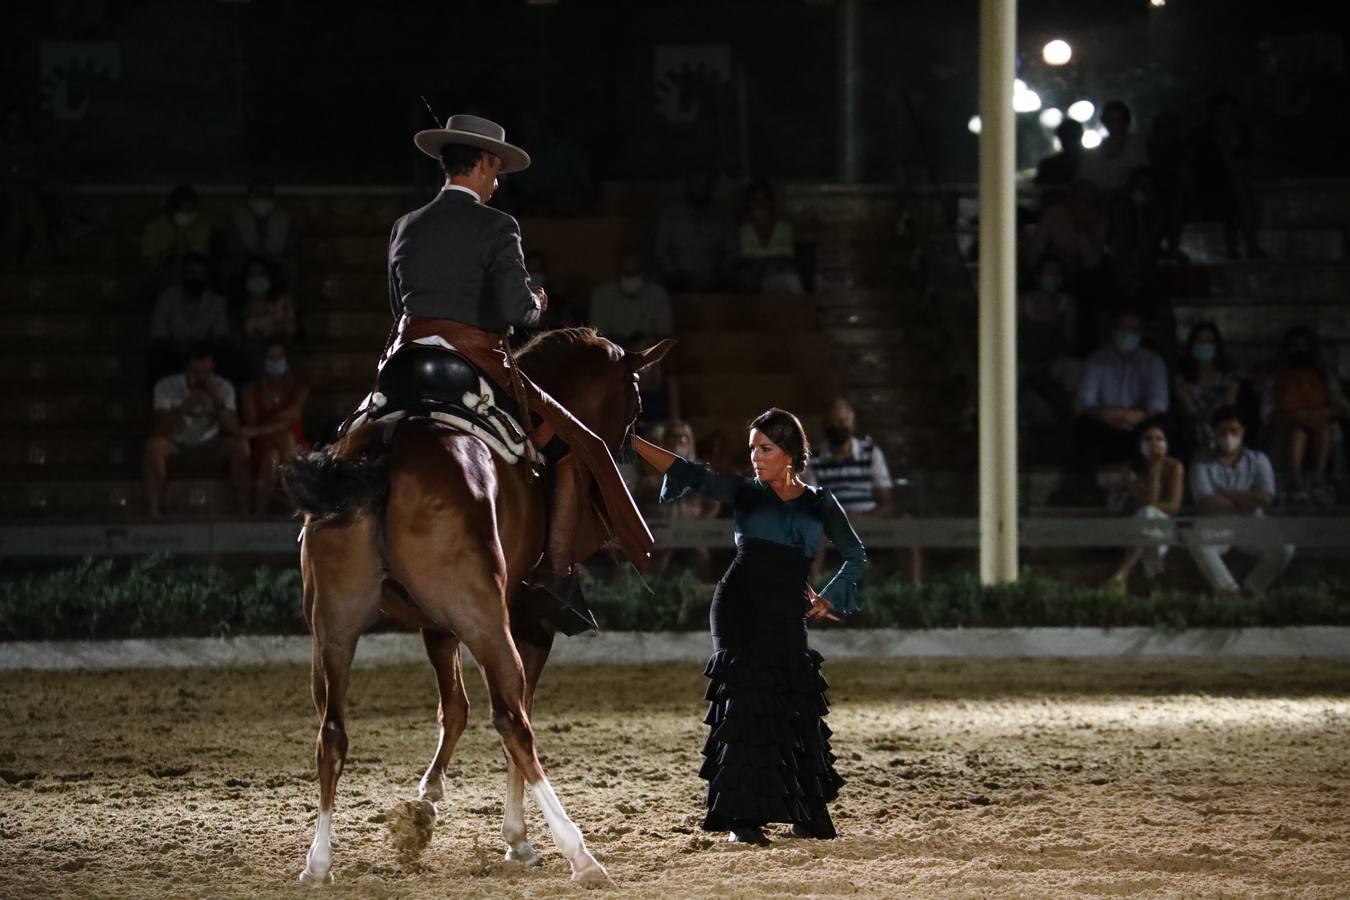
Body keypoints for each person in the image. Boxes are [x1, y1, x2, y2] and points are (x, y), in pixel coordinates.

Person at [391, 113, 653, 631]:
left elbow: (397, 302)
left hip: (403, 364)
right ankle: (553, 578)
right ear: (485, 163)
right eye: (497, 170)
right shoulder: (498, 225)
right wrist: (536, 300)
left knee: (364, 431)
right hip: (471, 366)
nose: (497, 181)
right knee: (565, 448)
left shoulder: (405, 224)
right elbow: (516, 311)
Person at [632, 408, 863, 845]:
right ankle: (742, 818)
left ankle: (804, 811)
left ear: (791, 454)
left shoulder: (820, 502)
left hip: (785, 611)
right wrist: (633, 442)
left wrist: (830, 593)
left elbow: (855, 553)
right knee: (744, 705)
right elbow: (688, 473)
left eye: (766, 449)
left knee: (796, 701)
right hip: (737, 607)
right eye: (752, 448)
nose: (755, 457)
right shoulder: (744, 491)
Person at [806, 397, 919, 582]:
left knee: (906, 524)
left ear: (852, 422)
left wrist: (864, 517)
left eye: (842, 422)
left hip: (869, 519)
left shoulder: (871, 453)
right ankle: (814, 593)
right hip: (831, 522)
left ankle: (914, 590)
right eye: (833, 423)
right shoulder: (814, 458)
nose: (838, 427)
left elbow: (886, 503)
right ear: (825, 425)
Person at [1188, 406, 1294, 594]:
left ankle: (1252, 589)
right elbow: (1206, 504)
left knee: (1285, 547)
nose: (1228, 436)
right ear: (1214, 433)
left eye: (1233, 431)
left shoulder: (1259, 459)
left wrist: (1226, 495)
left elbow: (1266, 498)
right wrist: (1247, 498)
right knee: (1198, 543)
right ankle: (1230, 594)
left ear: (1242, 431)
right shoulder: (1201, 463)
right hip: (1218, 525)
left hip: (1253, 524)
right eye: (1222, 431)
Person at [1067, 309, 1169, 503]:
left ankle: (1155, 491)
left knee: (1162, 425)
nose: (1127, 333)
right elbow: (1083, 402)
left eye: (1133, 329)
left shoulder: (1153, 362)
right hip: (1105, 427)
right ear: (1113, 331)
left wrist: (1135, 416)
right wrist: (1107, 415)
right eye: (1123, 328)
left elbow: (1158, 403)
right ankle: (1086, 492)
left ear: (1141, 332)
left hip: (1138, 427)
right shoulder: (1097, 360)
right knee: (1082, 426)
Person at [143, 343, 250, 517]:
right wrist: (185, 406)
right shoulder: (166, 386)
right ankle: (154, 512)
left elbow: (234, 428)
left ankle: (244, 511)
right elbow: (160, 429)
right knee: (154, 446)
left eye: (206, 373)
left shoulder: (223, 387)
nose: (201, 378)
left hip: (211, 446)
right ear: (187, 368)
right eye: (197, 373)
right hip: (177, 447)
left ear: (212, 368)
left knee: (241, 445)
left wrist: (218, 403)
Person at [1264, 326, 1346, 506]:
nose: (1299, 350)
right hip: (1287, 424)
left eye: (1304, 345)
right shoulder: (1275, 376)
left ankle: (1318, 479)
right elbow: (1266, 411)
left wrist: (1320, 414)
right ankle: (1297, 483)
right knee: (1298, 432)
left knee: (1326, 429)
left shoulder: (1324, 375)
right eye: (1295, 346)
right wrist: (1294, 416)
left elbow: (1340, 406)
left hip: (1320, 422)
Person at [1105, 420, 1184, 590]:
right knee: (1146, 517)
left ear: (1167, 443)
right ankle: (1154, 583)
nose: (1155, 443)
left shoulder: (1175, 467)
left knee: (1148, 515)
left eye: (1159, 438)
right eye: (1148, 439)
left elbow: (1174, 506)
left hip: (1165, 525)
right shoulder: (1129, 469)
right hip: (1135, 523)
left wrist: (1157, 469)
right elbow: (1144, 503)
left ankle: (1122, 574)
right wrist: (1154, 470)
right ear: (1139, 444)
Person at [1190, 92, 1265, 260]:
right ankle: (1238, 246)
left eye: (1230, 112)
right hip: (1207, 186)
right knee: (1234, 193)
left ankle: (1249, 246)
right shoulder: (1200, 136)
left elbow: (1241, 166)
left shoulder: (1241, 135)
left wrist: (1227, 147)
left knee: (1239, 192)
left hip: (1233, 185)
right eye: (1222, 112)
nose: (1227, 117)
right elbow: (1196, 167)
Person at [240, 342, 309, 515]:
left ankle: (260, 512)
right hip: (263, 445)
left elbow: (293, 416)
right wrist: (271, 426)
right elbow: (252, 420)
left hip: (293, 442)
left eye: (280, 357)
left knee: (281, 444)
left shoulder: (299, 388)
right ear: (263, 361)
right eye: (272, 357)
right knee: (272, 454)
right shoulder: (250, 390)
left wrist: (259, 430)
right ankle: (297, 503)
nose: (276, 361)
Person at [149, 252, 231, 381]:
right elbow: (159, 335)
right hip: (173, 354)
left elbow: (221, 335)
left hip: (205, 356)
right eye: (191, 273)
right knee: (158, 357)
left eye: (201, 275)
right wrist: (178, 347)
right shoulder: (167, 298)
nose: (196, 278)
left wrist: (200, 352)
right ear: (183, 274)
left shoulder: (216, 302)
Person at [655, 170, 738, 291]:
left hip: (715, 280)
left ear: (712, 185)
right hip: (677, 280)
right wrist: (676, 275)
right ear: (688, 182)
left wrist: (717, 275)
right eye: (697, 182)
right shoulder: (670, 214)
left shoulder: (724, 216)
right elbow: (661, 252)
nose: (700, 187)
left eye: (705, 182)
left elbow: (732, 252)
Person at [1172, 321, 1240, 463]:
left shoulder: (1228, 375)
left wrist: (1209, 407)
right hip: (1192, 429)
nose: (1204, 345)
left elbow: (1228, 406)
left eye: (1209, 340)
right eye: (1200, 340)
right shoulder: (1182, 376)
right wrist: (1212, 404)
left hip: (1222, 427)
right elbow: (1190, 411)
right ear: (1192, 344)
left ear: (1217, 345)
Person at [588, 250, 673, 344]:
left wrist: (644, 341)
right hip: (611, 350)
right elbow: (597, 333)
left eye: (634, 274)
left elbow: (664, 332)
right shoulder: (602, 294)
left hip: (646, 351)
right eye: (626, 274)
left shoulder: (658, 294)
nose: (630, 279)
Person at [737, 179, 803, 294]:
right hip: (752, 281)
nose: (760, 204)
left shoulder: (783, 228)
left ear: (771, 203)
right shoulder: (743, 231)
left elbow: (787, 261)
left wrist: (766, 265)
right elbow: (745, 262)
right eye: (755, 200)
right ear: (749, 204)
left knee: (791, 280)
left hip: (778, 277)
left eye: (764, 200)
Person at [141, 184, 214, 276]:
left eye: (191, 211)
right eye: (184, 211)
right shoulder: (154, 229)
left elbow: (199, 259)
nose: (188, 215)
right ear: (171, 210)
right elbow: (148, 263)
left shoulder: (202, 227)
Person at [1078, 100, 1149, 195]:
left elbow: (1144, 180)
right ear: (1104, 122)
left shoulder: (1138, 146)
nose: (1116, 125)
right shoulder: (1092, 155)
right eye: (1111, 120)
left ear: (1127, 121)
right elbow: (1083, 183)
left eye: (1120, 120)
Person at [230, 176, 293, 263]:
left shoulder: (286, 220)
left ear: (273, 197)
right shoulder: (236, 220)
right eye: (257, 193)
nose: (261, 197)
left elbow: (289, 252)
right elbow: (235, 252)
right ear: (248, 196)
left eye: (266, 194)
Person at [239, 255, 297, 349]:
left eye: (261, 273)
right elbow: (247, 339)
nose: (257, 279)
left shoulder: (284, 301)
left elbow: (290, 331)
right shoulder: (244, 307)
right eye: (252, 275)